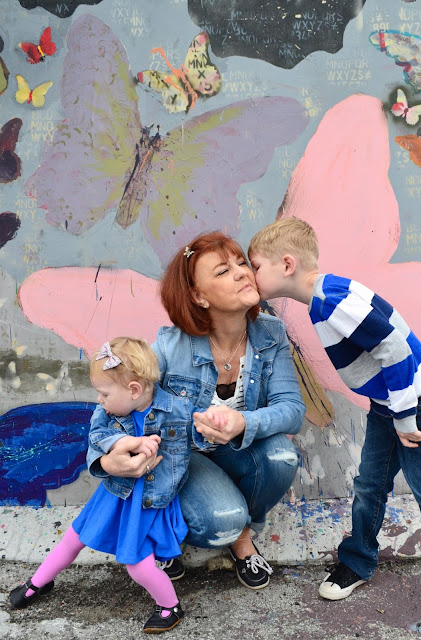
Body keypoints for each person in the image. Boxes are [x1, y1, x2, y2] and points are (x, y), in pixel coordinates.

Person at [248, 217, 421, 600]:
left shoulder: (331, 301)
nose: (251, 275)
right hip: (390, 405)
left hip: (418, 403)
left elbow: (395, 349)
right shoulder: (327, 294)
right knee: (370, 485)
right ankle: (357, 560)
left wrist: (405, 418)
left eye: (256, 266)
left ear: (287, 264)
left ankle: (357, 558)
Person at [97, 232, 306, 590]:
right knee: (221, 520)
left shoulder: (271, 334)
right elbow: (113, 403)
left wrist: (245, 422)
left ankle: (242, 537)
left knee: (282, 456)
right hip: (181, 459)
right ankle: (167, 531)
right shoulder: (170, 346)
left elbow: (293, 409)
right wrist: (105, 457)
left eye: (241, 263)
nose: (242, 272)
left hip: (236, 452)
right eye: (223, 271)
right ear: (198, 296)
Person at [9, 337, 224, 633]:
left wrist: (211, 427)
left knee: (137, 565)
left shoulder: (178, 409)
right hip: (114, 494)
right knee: (74, 538)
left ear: (134, 390)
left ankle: (169, 605)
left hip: (148, 502)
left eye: (104, 393)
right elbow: (97, 436)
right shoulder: (107, 412)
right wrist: (125, 442)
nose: (100, 400)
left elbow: (201, 437)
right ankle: (38, 582)